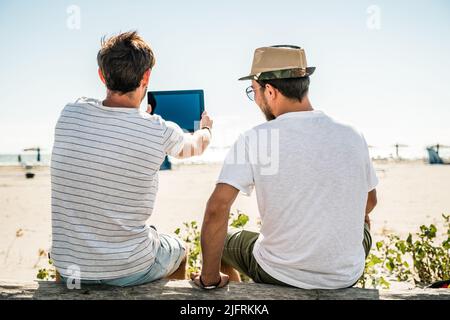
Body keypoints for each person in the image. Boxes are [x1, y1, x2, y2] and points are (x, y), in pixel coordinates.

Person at [192, 45, 377, 290]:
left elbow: (217, 208)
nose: (255, 99)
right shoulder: (352, 134)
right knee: (362, 222)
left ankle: (220, 288)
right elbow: (370, 201)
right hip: (346, 274)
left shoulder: (255, 139)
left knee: (225, 242)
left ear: (270, 91)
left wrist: (208, 278)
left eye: (253, 91)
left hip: (279, 272)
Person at [50, 31, 213, 286]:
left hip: (69, 266)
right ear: (146, 76)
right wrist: (206, 129)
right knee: (180, 250)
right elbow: (195, 147)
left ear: (102, 75)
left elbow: (109, 126)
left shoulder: (70, 114)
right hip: (128, 268)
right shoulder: (157, 129)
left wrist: (137, 120)